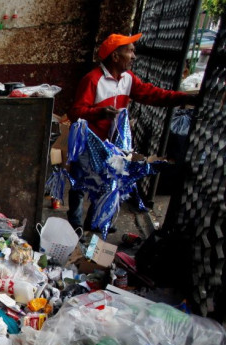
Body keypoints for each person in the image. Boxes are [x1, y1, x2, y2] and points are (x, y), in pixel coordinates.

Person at [66, 33, 196, 231]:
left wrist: (183, 98)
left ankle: (96, 221)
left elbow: (152, 94)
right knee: (80, 183)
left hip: (112, 145)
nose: (134, 56)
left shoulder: (128, 79)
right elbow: (75, 113)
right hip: (89, 143)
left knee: (108, 183)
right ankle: (75, 224)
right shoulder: (92, 80)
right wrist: (100, 112)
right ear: (115, 57)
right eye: (130, 51)